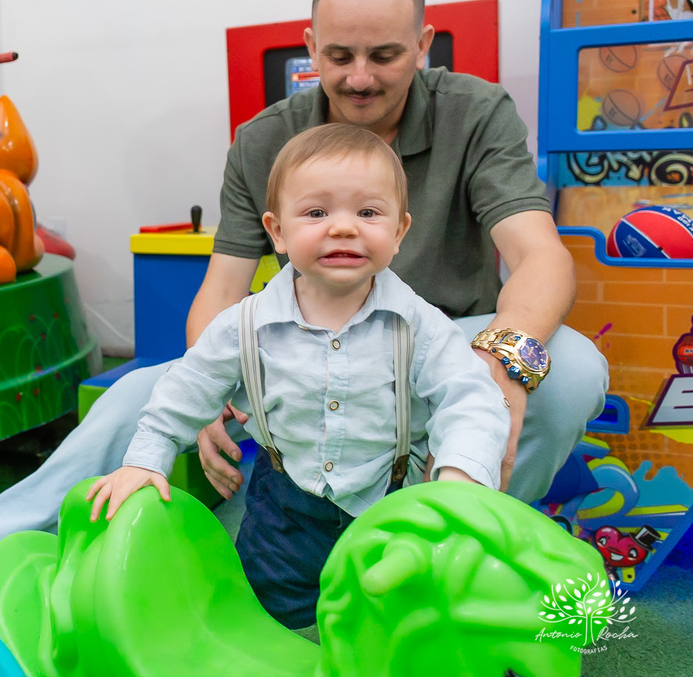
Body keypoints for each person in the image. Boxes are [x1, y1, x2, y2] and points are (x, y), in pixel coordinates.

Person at [0, 0, 608, 603]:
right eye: (339, 55)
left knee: (568, 369)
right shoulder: (268, 140)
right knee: (134, 396)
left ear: (424, 44)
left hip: (426, 357)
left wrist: (507, 357)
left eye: (385, 55)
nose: (359, 76)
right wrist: (212, 399)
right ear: (310, 44)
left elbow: (538, 254)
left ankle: (442, 568)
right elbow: (224, 289)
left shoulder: (475, 112)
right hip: (302, 345)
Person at [86, 123, 511, 627]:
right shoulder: (245, 323)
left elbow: (469, 397)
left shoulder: (420, 325)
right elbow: (185, 390)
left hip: (389, 503)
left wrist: (460, 475)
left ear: (398, 233)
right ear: (278, 232)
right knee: (264, 619)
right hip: (284, 510)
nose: (343, 227)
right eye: (316, 212)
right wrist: (147, 459)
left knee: (390, 615)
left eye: (369, 212)